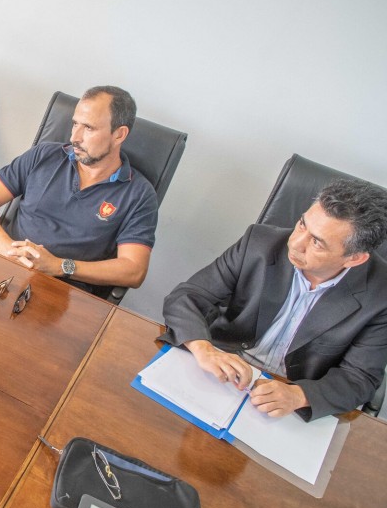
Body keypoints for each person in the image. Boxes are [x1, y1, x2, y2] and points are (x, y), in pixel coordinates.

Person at [162, 179, 387, 421]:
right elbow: (188, 296)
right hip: (222, 369)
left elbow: (360, 378)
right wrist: (203, 349)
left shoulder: (380, 295)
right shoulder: (259, 243)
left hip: (287, 399)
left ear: (354, 259)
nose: (295, 243)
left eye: (316, 242)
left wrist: (299, 395)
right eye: (302, 225)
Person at [0, 86, 158, 298]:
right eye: (75, 123)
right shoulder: (44, 155)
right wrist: (2, 243)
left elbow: (134, 270)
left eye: (89, 128)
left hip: (64, 293)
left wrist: (60, 266)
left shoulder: (139, 194)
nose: (75, 137)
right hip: (5, 264)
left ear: (119, 134)